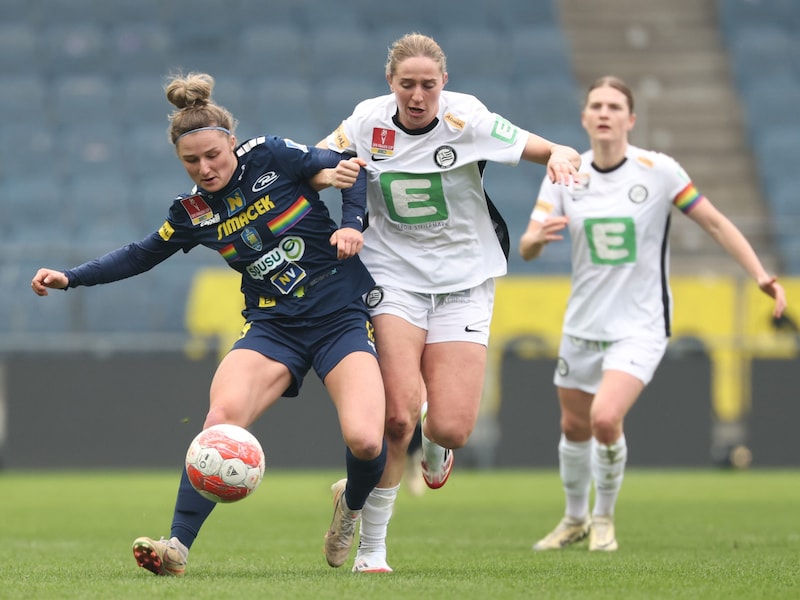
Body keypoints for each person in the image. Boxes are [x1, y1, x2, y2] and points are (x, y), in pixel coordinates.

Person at [31, 72, 387, 575]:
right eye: (191, 161)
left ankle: (349, 506)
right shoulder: (192, 212)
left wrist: (352, 226)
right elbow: (140, 255)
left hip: (340, 317)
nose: (205, 168)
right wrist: (71, 277)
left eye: (213, 156)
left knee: (367, 441)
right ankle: (175, 546)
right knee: (219, 421)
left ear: (232, 144)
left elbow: (352, 167)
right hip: (273, 329)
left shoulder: (273, 155)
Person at [317, 32, 581, 572]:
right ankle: (373, 550)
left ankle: (435, 447)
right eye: (407, 84)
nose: (418, 96)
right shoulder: (367, 122)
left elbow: (549, 147)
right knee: (396, 416)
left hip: (465, 277)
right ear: (390, 83)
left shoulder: (469, 119)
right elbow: (316, 162)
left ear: (444, 85)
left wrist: (563, 157)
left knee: (453, 427)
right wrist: (331, 171)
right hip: (393, 275)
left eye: (428, 85)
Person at [519, 75, 787, 552]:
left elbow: (716, 223)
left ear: (631, 119)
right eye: (596, 105)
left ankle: (604, 519)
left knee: (605, 418)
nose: (604, 113)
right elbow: (527, 246)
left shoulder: (658, 170)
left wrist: (760, 275)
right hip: (582, 321)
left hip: (640, 324)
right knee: (573, 427)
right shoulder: (565, 171)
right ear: (583, 117)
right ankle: (574, 519)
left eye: (615, 106)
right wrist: (535, 241)